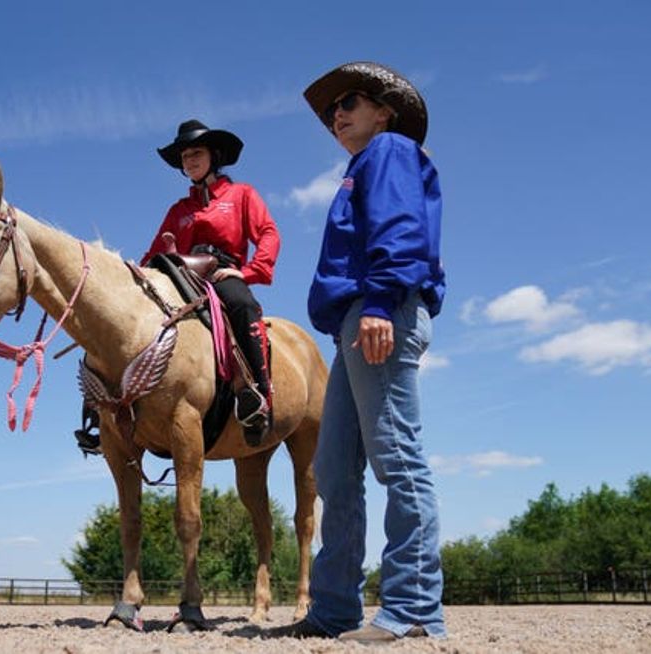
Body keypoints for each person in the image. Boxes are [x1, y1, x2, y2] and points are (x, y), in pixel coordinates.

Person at [266, 62, 447, 642]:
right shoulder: (361, 164)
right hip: (354, 320)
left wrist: (378, 302)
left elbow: (400, 228)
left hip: (380, 309)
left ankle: (415, 611)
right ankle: (333, 610)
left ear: (384, 110)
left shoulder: (389, 149)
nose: (336, 115)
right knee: (334, 472)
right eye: (330, 111)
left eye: (349, 102)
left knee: (397, 455)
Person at [141, 119, 281, 445]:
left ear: (213, 155)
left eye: (197, 153)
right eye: (185, 156)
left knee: (243, 304)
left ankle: (258, 395)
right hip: (181, 276)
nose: (189, 160)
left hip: (222, 272)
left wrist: (247, 272)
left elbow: (269, 234)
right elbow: (154, 251)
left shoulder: (241, 194)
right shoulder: (179, 209)